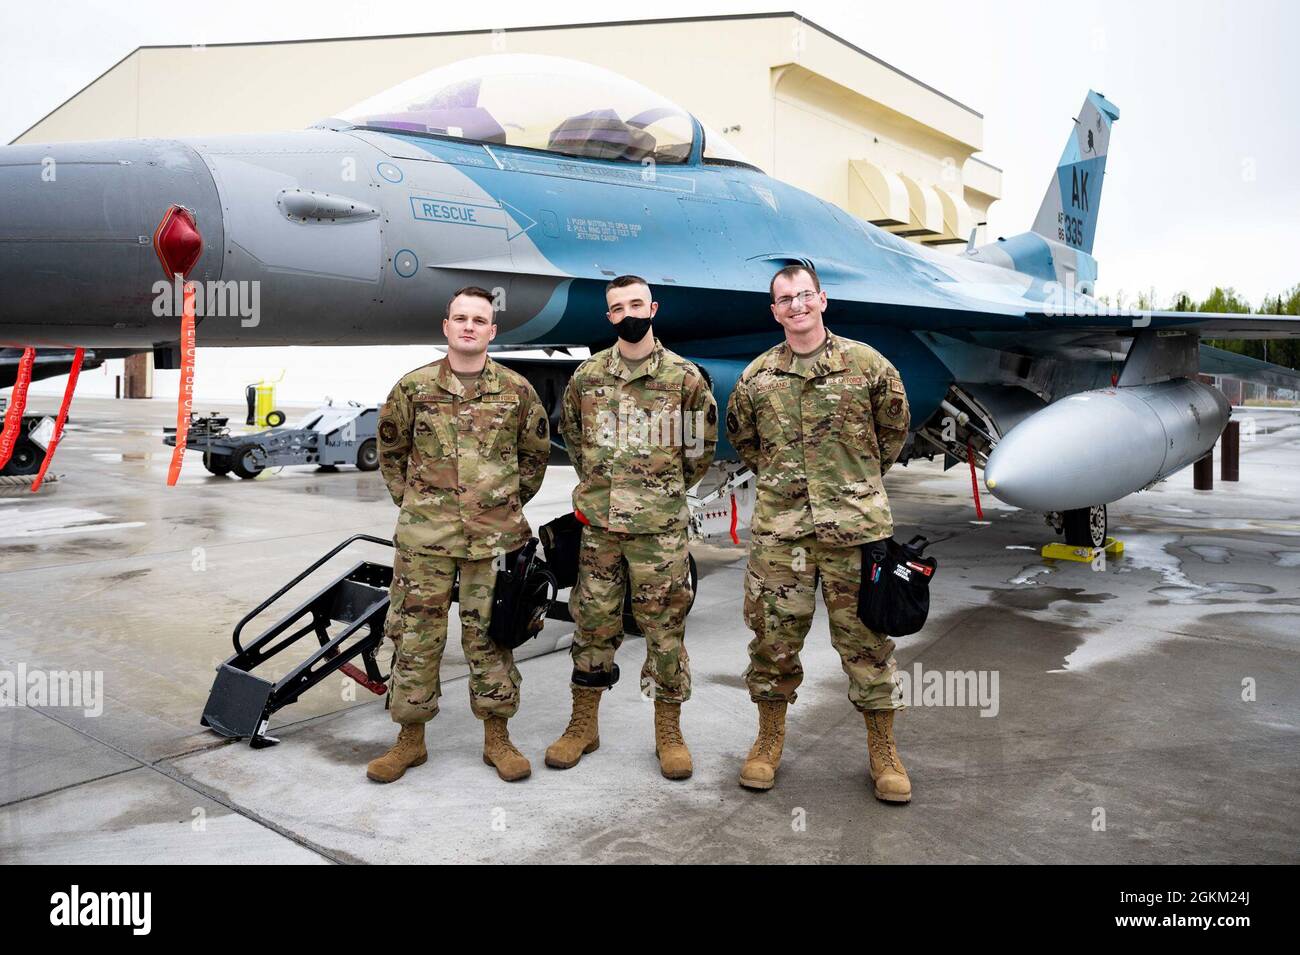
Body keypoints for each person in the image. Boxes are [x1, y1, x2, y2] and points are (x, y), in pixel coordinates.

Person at [726, 264, 913, 802]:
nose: (795, 306)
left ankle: (884, 752)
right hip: (781, 537)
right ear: (775, 310)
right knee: (772, 644)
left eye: (803, 295)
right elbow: (747, 440)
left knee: (868, 646)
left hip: (855, 534)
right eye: (784, 299)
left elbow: (892, 432)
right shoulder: (758, 377)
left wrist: (851, 484)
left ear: (822, 299)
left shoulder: (866, 365)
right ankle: (767, 742)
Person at [368, 285, 551, 783]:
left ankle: (498, 738)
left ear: (492, 331)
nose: (469, 326)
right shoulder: (413, 389)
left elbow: (534, 459)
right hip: (426, 540)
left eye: (479, 319)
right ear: (446, 327)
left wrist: (503, 507)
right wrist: (417, 506)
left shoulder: (516, 391)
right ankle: (409, 740)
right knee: (415, 638)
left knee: (491, 637)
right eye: (460, 318)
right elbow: (391, 454)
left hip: (494, 543)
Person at [546, 275, 717, 779]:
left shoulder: (684, 379)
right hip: (599, 529)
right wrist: (606, 491)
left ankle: (669, 730)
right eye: (617, 307)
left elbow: (698, 451)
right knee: (592, 624)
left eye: (636, 303)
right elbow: (574, 440)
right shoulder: (587, 377)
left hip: (659, 533)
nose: (627, 313)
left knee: (664, 629)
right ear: (609, 317)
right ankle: (583, 724)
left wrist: (655, 495)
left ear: (653, 307)